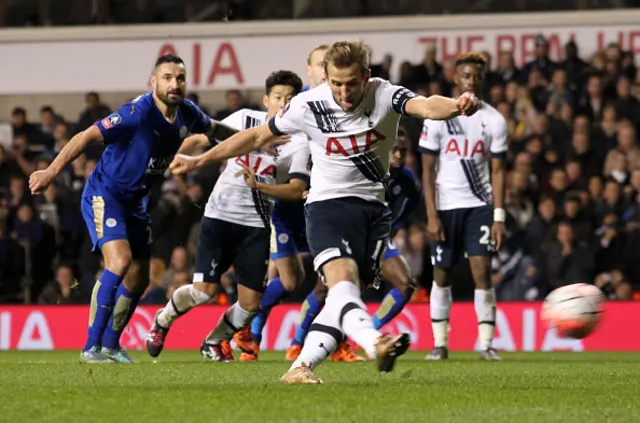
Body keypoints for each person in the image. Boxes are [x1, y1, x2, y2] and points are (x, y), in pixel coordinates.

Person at [168, 39, 478, 383]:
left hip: (374, 212)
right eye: (336, 83)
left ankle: (299, 367)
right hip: (327, 208)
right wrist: (201, 159)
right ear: (326, 78)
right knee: (342, 282)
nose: (344, 93)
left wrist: (457, 105)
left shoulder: (385, 95)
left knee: (343, 297)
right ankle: (376, 341)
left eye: (352, 83)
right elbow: (256, 137)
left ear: (366, 76)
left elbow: (427, 106)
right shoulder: (307, 105)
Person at [28, 54, 228, 363]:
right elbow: (87, 136)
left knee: (138, 278)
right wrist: (50, 172)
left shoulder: (187, 113)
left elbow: (215, 129)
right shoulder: (136, 114)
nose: (174, 84)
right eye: (167, 78)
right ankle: (90, 348)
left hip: (136, 203)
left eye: (179, 78)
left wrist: (256, 141)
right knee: (119, 261)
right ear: (154, 82)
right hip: (105, 195)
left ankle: (110, 345)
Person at [145, 71, 305, 361]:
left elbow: (296, 190)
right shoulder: (244, 119)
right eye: (278, 97)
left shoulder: (299, 142)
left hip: (256, 225)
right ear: (266, 99)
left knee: (251, 304)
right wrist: (177, 154)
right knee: (203, 292)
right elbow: (202, 140)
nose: (283, 104)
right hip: (219, 216)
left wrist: (259, 185)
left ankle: (214, 340)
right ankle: (163, 319)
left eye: (290, 99)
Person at [230, 44, 341, 362]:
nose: (327, 70)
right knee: (297, 278)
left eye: (331, 64)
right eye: (321, 64)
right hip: (289, 205)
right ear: (310, 70)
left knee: (318, 276)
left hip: (322, 202)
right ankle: (250, 333)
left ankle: (261, 335)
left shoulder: (346, 102)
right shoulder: (299, 106)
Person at [285, 132, 422, 362]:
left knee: (405, 284)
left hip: (377, 233)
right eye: (394, 150)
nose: (399, 156)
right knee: (326, 289)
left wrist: (396, 223)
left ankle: (369, 335)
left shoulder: (406, 177)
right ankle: (297, 344)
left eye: (404, 151)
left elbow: (414, 196)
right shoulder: (366, 166)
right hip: (346, 228)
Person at [418, 52, 507, 361]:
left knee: (482, 271)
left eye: (477, 76)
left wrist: (498, 216)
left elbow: (498, 171)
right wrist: (431, 215)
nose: (471, 80)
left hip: (479, 206)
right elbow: (427, 169)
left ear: (483, 80)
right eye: (466, 75)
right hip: (445, 206)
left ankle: (486, 344)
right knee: (442, 273)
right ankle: (440, 343)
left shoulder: (494, 120)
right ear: (455, 79)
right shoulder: (439, 115)